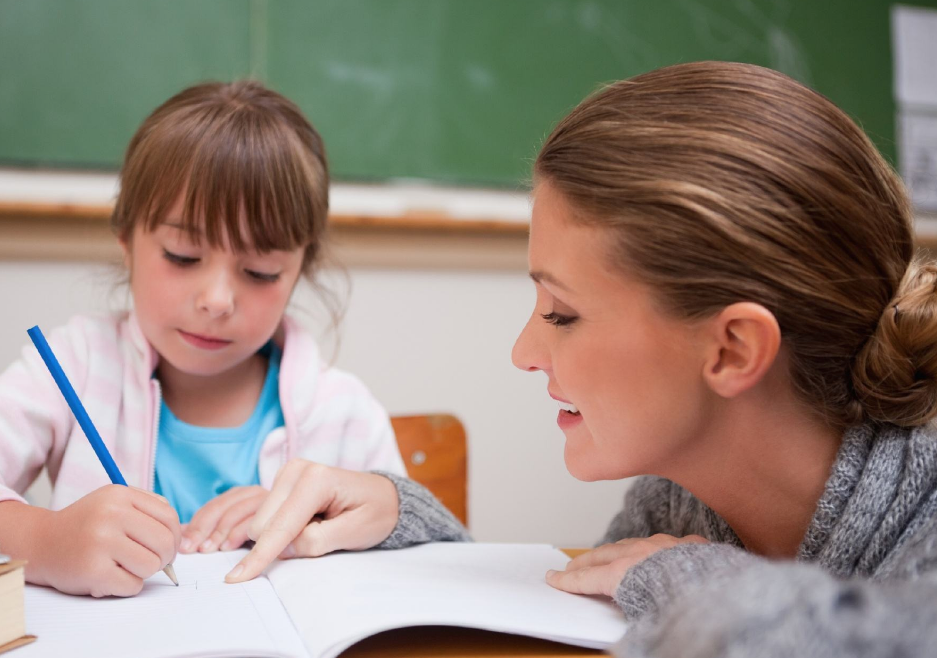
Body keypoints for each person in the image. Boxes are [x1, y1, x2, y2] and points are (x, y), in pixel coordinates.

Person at [224, 62, 937, 656]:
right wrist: (399, 518)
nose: (524, 352)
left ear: (732, 349)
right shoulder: (680, 498)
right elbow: (564, 607)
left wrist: (690, 577)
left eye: (562, 314)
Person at [0, 81, 406, 598]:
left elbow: (432, 565)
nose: (217, 298)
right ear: (126, 240)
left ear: (298, 270)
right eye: (182, 256)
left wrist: (392, 507)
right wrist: (42, 540)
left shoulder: (341, 412)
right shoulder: (77, 365)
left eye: (261, 271)